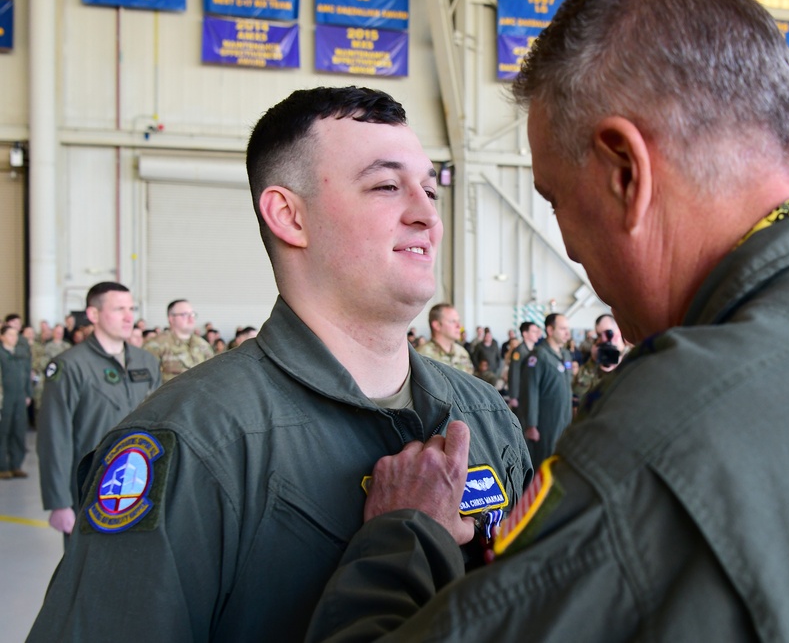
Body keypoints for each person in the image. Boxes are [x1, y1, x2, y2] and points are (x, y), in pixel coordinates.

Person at [305, 0, 789, 642]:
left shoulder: (666, 430)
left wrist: (402, 534)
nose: (572, 248)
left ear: (624, 173)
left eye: (557, 201)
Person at [28, 86, 531, 643]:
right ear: (289, 216)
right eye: (387, 186)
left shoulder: (485, 416)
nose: (427, 216)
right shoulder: (194, 445)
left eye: (431, 191)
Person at [35, 282, 162, 538]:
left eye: (131, 308)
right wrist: (59, 502)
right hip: (89, 489)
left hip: (142, 486)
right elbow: (54, 435)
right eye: (119, 309)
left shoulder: (146, 361)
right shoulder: (69, 366)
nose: (129, 317)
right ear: (93, 315)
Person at [518, 312, 573, 469]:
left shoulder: (566, 354)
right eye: (562, 329)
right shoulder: (538, 356)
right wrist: (531, 424)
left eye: (567, 329)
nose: (567, 333)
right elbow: (530, 390)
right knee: (544, 463)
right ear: (550, 330)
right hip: (545, 420)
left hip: (564, 417)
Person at [142, 299, 215, 382]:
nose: (191, 319)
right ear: (171, 319)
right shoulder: (155, 345)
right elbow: (147, 383)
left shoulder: (203, 345)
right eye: (184, 314)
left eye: (192, 314)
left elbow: (212, 376)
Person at [571, 313, 627, 408]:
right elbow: (577, 391)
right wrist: (592, 362)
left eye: (608, 333)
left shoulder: (632, 355)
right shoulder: (596, 359)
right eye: (599, 335)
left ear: (619, 330)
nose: (604, 339)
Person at [0, 324, 32, 479]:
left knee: (19, 431)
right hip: (4, 397)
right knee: (3, 432)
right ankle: (3, 466)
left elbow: (27, 374)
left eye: (15, 335)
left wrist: (28, 394)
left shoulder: (21, 353)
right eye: (10, 335)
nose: (14, 338)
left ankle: (16, 465)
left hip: (20, 396)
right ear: (2, 337)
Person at [416, 303, 475, 373]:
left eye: (459, 321)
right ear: (437, 325)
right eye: (453, 321)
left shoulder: (462, 353)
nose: (459, 326)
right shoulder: (422, 356)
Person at [504, 320, 540, 411]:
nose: (537, 334)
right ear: (525, 333)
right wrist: (514, 396)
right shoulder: (519, 351)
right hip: (521, 393)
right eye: (534, 331)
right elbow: (514, 373)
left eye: (537, 331)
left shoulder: (536, 350)